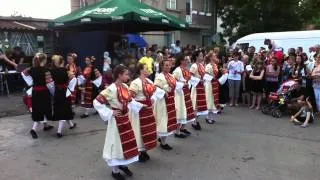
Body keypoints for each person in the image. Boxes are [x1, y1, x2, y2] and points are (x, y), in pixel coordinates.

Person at [93, 65, 139, 180]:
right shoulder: (111, 89)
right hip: (116, 122)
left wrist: (141, 106)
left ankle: (122, 164)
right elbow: (96, 101)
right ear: (119, 75)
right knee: (116, 144)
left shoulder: (124, 86)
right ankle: (115, 171)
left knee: (125, 143)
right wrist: (110, 112)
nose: (128, 76)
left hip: (125, 119)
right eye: (126, 74)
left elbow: (130, 100)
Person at [129, 63, 157, 162]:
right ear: (141, 70)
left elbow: (154, 92)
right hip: (139, 110)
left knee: (148, 129)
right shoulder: (135, 83)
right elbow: (130, 98)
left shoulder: (149, 81)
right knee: (139, 129)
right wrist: (140, 105)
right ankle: (139, 151)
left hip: (148, 108)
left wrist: (152, 99)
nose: (148, 70)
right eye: (146, 68)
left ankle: (144, 149)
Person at [22, 53, 54, 139]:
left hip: (35, 91)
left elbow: (24, 72)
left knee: (38, 109)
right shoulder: (45, 69)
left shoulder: (32, 69)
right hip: (43, 91)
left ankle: (46, 126)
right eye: (46, 59)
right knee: (43, 109)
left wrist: (32, 79)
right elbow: (49, 81)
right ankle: (33, 129)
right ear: (43, 60)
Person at [154, 59, 177, 150]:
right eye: (166, 65)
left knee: (168, 119)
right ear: (162, 67)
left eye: (169, 65)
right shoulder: (159, 76)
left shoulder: (171, 75)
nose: (168, 67)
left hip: (170, 100)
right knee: (163, 120)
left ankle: (162, 138)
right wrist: (164, 90)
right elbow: (155, 87)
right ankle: (163, 142)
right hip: (163, 101)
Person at [51, 55, 77, 138]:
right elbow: (73, 77)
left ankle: (71, 125)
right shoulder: (66, 70)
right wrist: (68, 82)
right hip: (64, 92)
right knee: (63, 109)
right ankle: (59, 131)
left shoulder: (53, 70)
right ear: (62, 62)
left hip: (57, 92)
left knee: (64, 109)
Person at [172, 55, 195, 137]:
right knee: (180, 110)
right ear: (181, 61)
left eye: (188, 60)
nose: (187, 61)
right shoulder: (177, 71)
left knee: (187, 109)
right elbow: (173, 81)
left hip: (186, 91)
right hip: (179, 92)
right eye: (185, 60)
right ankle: (177, 131)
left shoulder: (186, 69)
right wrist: (182, 83)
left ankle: (183, 127)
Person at [190, 50, 208, 130]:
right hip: (196, 87)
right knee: (196, 104)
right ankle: (194, 121)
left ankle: (195, 120)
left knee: (200, 105)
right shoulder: (194, 66)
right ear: (196, 57)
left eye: (202, 55)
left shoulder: (201, 65)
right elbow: (190, 76)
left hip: (201, 86)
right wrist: (198, 80)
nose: (202, 57)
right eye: (200, 56)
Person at [204, 52, 219, 124]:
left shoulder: (215, 65)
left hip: (214, 83)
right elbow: (205, 75)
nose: (215, 56)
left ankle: (210, 117)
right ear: (210, 58)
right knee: (209, 99)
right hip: (209, 84)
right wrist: (211, 77)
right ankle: (208, 117)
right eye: (214, 56)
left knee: (213, 99)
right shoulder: (208, 66)